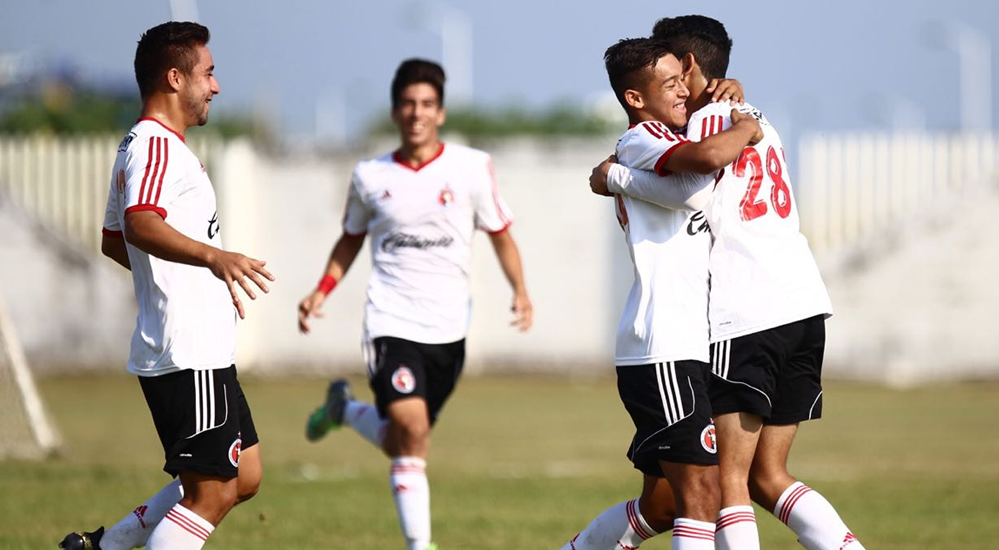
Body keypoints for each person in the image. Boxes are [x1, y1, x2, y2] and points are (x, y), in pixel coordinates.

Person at [592, 15, 867, 550]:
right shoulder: (756, 115)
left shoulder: (703, 127)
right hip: (805, 304)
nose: (673, 85)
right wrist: (747, 113)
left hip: (746, 314)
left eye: (674, 73)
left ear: (688, 65)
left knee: (726, 485)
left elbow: (695, 179)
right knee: (765, 478)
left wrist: (613, 176)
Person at [296, 58, 533, 550]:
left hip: (448, 330)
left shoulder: (471, 167)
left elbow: (501, 235)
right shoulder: (369, 175)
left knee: (404, 439)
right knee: (411, 427)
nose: (417, 113)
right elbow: (350, 240)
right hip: (390, 321)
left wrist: (520, 291)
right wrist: (321, 290)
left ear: (441, 112)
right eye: (408, 104)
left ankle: (344, 412)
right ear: (394, 111)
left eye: (426, 104)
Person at [60, 21, 274, 550]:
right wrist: (212, 257)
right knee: (212, 494)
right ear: (175, 78)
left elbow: (115, 241)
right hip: (187, 351)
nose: (216, 86)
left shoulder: (151, 146)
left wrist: (182, 276)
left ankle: (108, 545)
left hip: (201, 347)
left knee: (242, 475)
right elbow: (138, 224)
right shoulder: (155, 147)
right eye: (209, 73)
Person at [560, 38, 763, 550]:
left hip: (687, 343)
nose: (681, 91)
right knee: (702, 494)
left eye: (681, 79)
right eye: (669, 84)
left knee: (665, 505)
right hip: (663, 343)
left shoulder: (667, 137)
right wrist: (618, 176)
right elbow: (695, 188)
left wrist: (734, 99)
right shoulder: (642, 139)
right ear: (635, 99)